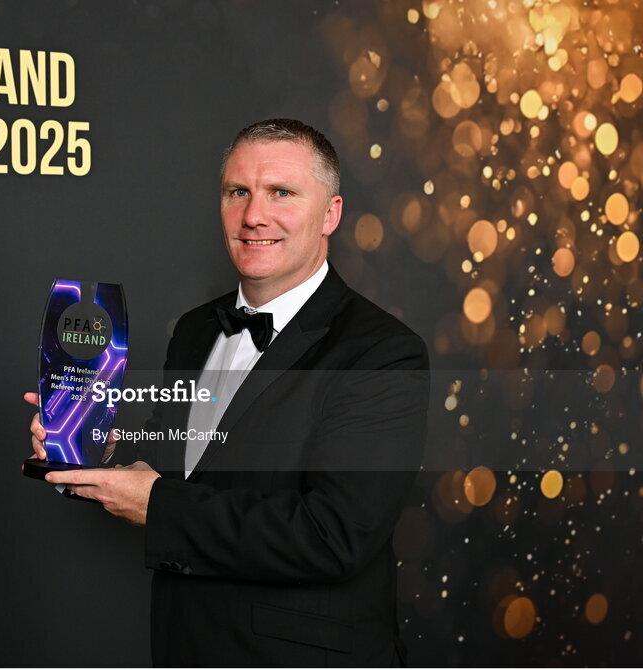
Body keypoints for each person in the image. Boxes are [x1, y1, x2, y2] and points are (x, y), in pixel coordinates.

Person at [25, 119, 428, 667]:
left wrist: (159, 505)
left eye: (281, 193)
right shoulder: (194, 331)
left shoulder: (382, 352)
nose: (253, 215)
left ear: (330, 213)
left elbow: (335, 536)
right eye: (238, 192)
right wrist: (90, 449)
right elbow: (190, 477)